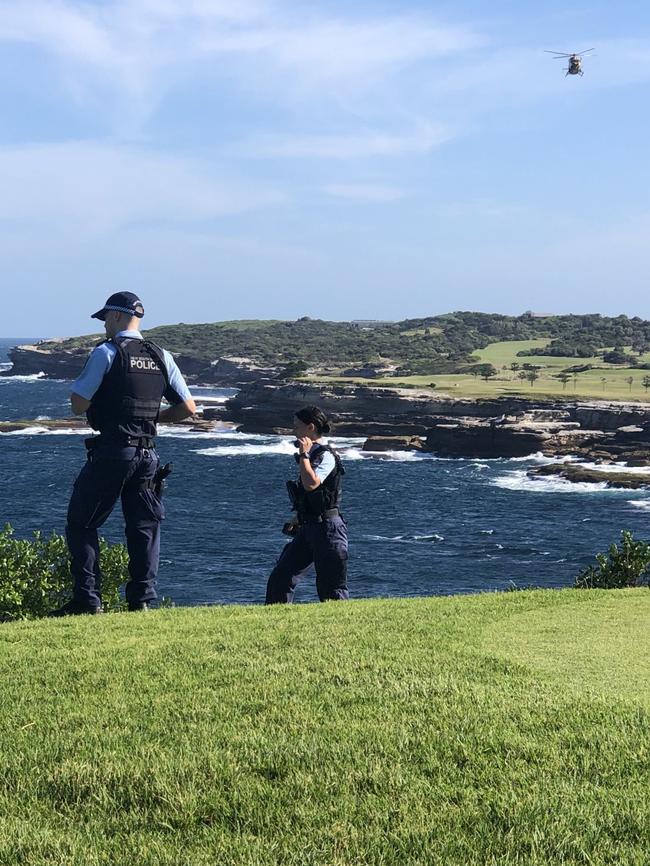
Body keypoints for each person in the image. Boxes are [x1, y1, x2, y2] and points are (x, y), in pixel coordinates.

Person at [49, 292, 196, 616]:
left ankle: (88, 600)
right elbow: (188, 407)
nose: (104, 326)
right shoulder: (160, 355)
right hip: (148, 457)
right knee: (144, 527)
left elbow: (78, 403)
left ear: (116, 317)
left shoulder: (107, 351)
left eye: (105, 319)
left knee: (82, 523)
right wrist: (152, 418)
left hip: (114, 452)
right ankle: (141, 601)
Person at [265, 406, 349, 604]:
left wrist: (303, 456)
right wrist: (298, 516)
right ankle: (274, 620)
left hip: (328, 529)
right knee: (281, 577)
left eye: (297, 427)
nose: (294, 431)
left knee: (331, 587)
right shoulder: (311, 456)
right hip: (308, 527)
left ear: (310, 428)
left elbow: (312, 484)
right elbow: (309, 494)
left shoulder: (325, 456)